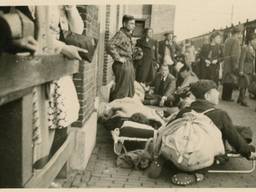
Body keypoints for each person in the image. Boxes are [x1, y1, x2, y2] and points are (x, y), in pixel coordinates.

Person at [165, 80, 256, 185]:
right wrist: (248, 153)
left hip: (188, 146)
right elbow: (234, 137)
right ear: (207, 96)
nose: (218, 93)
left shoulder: (185, 111)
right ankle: (221, 156)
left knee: (240, 130)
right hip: (207, 149)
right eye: (215, 91)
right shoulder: (220, 114)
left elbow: (170, 127)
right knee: (239, 133)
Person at [107, 15, 136, 101]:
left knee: (129, 89)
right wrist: (118, 58)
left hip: (128, 64)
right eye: (131, 23)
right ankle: (115, 108)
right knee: (122, 90)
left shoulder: (127, 35)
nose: (133, 26)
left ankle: (124, 109)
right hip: (122, 65)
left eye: (134, 24)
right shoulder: (120, 34)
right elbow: (109, 45)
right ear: (124, 23)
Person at [222, 26, 242, 101]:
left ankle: (224, 96)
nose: (241, 35)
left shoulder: (227, 40)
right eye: (240, 34)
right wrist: (235, 65)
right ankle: (228, 97)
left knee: (226, 78)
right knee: (230, 79)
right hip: (231, 62)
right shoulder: (236, 41)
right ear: (237, 33)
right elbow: (235, 55)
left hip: (226, 61)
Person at [237, 33, 256, 106]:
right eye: (254, 40)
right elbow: (242, 59)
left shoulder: (253, 49)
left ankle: (240, 98)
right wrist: (241, 70)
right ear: (250, 41)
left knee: (245, 84)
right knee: (244, 84)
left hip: (250, 69)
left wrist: (253, 70)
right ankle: (243, 100)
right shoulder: (245, 48)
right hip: (245, 68)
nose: (255, 41)